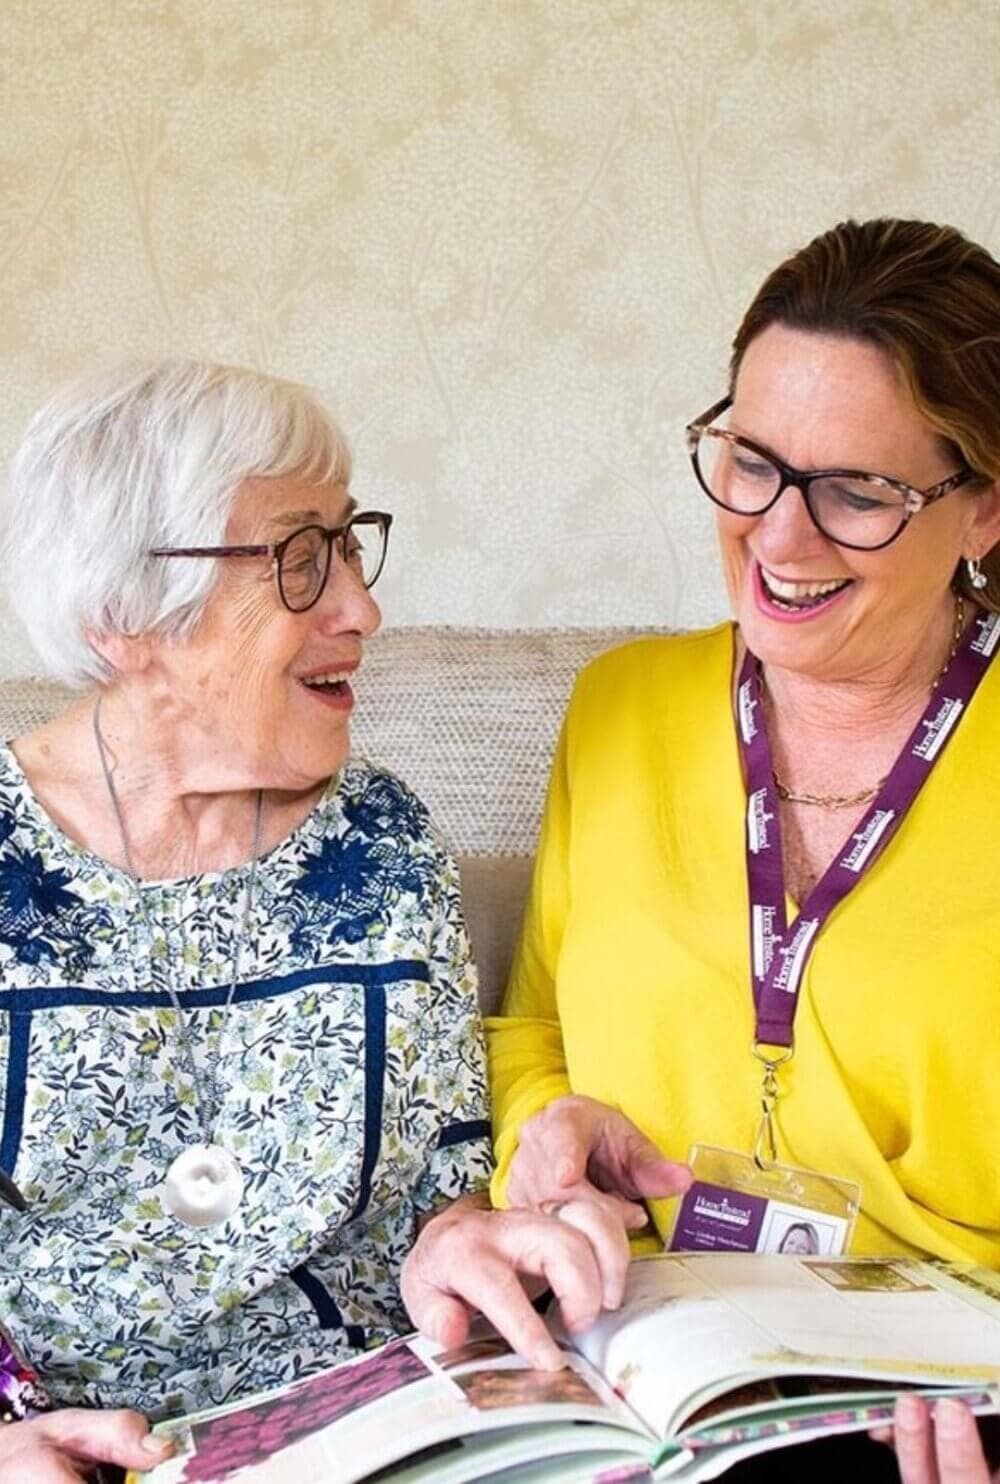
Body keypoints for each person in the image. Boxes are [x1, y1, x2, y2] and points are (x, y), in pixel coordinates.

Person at [0, 358, 623, 1482]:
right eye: (297, 558)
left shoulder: (376, 838)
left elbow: (440, 1194)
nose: (360, 606)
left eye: (346, 541)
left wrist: (463, 1242)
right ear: (124, 614)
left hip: (381, 1429)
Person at [487, 219, 1000, 1483]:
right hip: (644, 1364)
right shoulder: (622, 705)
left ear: (985, 507)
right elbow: (532, 1024)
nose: (778, 536)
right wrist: (545, 1133)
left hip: (941, 1403)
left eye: (857, 492)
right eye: (752, 463)